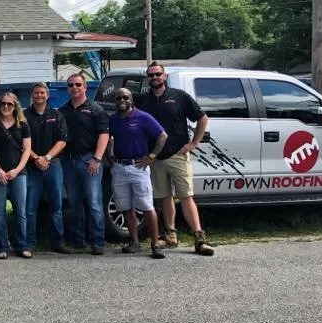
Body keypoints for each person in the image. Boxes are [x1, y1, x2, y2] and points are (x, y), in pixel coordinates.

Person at [136, 62, 215, 256]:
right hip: (155, 157)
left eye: (158, 74)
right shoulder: (143, 100)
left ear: (165, 76)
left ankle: (199, 237)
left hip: (178, 154)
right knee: (164, 197)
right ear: (148, 78)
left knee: (186, 197)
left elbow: (202, 118)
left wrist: (194, 143)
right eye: (151, 75)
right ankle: (170, 235)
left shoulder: (179, 97)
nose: (155, 78)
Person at [108, 88, 167, 259]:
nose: (122, 100)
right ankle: (135, 243)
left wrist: (152, 156)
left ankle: (155, 244)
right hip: (119, 168)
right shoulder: (112, 119)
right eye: (118, 98)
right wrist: (109, 156)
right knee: (126, 207)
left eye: (125, 97)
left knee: (147, 207)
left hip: (138, 167)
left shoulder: (143, 117)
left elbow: (162, 136)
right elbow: (106, 139)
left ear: (131, 100)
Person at [59, 74, 110, 255]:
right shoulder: (62, 111)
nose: (75, 88)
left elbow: (104, 135)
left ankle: (97, 242)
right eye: (71, 85)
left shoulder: (96, 109)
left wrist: (97, 159)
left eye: (78, 84)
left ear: (85, 87)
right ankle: (77, 240)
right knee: (73, 203)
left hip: (89, 161)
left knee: (94, 203)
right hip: (68, 161)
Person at [24, 82, 70, 254]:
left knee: (56, 206)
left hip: (53, 165)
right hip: (32, 166)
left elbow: (62, 140)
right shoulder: (24, 116)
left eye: (42, 93)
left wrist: (47, 158)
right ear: (32, 95)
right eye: (36, 93)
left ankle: (57, 242)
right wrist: (36, 158)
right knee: (30, 206)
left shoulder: (56, 115)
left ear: (48, 95)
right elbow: (21, 142)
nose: (39, 96)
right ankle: (29, 242)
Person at [0, 91, 32, 259]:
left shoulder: (23, 125)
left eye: (9, 104)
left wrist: (17, 170)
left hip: (19, 174)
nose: (6, 106)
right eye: (3, 104)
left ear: (15, 106)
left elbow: (27, 150)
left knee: (21, 211)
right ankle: (1, 246)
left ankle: (22, 246)